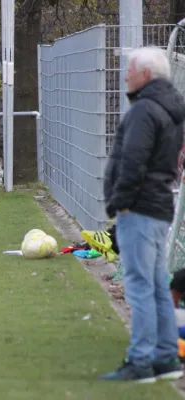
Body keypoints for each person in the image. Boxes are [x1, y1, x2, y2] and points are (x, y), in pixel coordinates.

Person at [100, 46, 185, 382]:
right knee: (155, 286)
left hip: (139, 206)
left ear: (146, 75)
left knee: (139, 286)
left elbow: (132, 160)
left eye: (130, 71)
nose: (126, 77)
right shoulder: (171, 108)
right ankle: (166, 357)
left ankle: (141, 360)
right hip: (159, 203)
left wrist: (119, 202)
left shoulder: (144, 111)